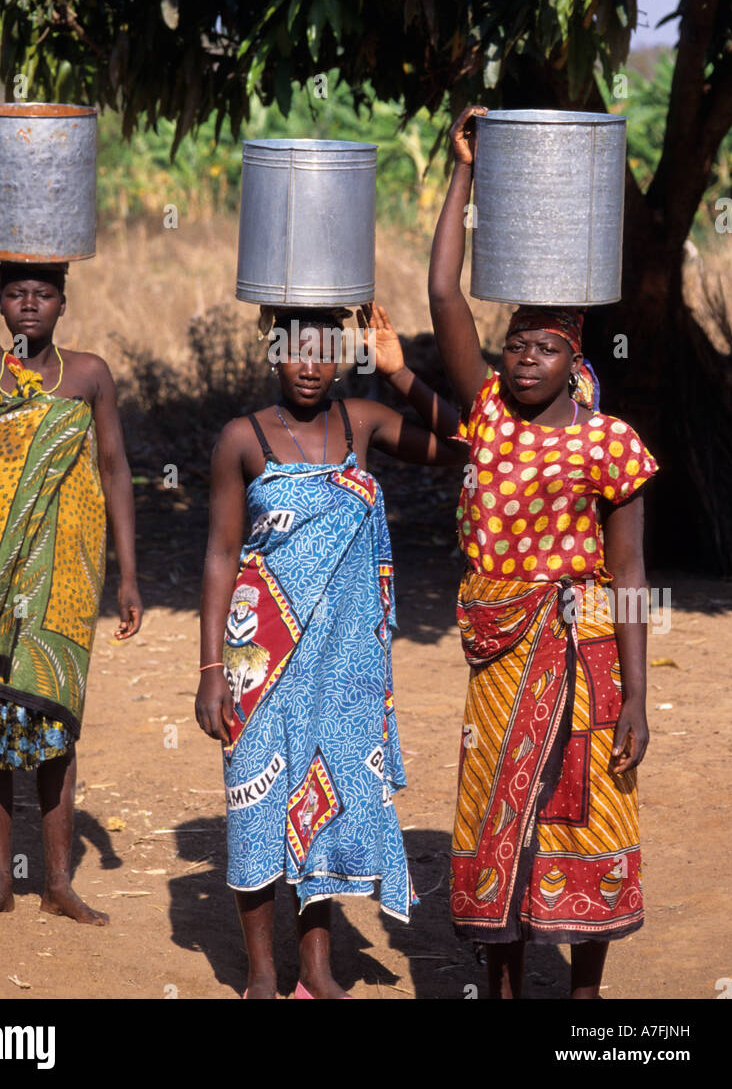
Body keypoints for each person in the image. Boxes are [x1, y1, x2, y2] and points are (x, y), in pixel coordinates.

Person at [428, 105, 659, 1000]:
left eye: (544, 348)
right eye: (516, 345)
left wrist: (639, 692)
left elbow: (632, 573)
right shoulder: (485, 410)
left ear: (575, 357)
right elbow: (446, 294)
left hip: (587, 636)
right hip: (500, 642)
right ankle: (503, 985)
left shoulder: (612, 442)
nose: (524, 361)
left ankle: (587, 996)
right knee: (498, 805)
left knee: (587, 808)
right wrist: (466, 171)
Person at [195, 302, 466, 999]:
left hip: (345, 664)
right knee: (256, 804)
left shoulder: (362, 422)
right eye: (294, 349)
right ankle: (261, 975)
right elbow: (223, 554)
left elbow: (469, 440)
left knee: (323, 802)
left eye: (325, 350)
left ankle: (316, 971)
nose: (310, 365)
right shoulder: (242, 438)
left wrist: (399, 371)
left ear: (346, 355)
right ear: (271, 353)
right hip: (262, 657)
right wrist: (210, 670)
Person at [0, 103, 143, 925]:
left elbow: (118, 471)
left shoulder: (89, 376)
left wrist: (127, 575)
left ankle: (57, 882)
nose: (24, 307)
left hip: (63, 581)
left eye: (39, 295)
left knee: (52, 725)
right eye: (12, 294)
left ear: (62, 302)